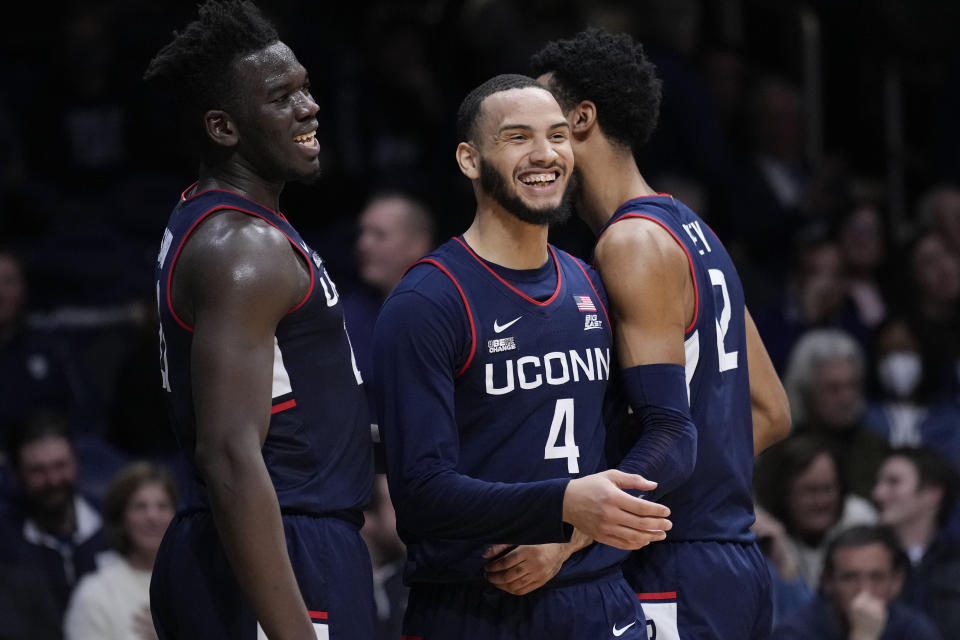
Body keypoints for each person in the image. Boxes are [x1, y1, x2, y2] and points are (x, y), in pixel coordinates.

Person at [372, 73, 673, 640]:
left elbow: (650, 434)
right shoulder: (426, 301)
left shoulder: (590, 282)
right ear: (469, 159)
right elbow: (420, 495)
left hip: (597, 595)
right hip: (474, 606)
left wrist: (568, 535)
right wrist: (564, 503)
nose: (545, 154)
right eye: (518, 138)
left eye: (558, 136)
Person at [530, 27, 791, 639]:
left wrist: (571, 539)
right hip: (733, 564)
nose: (530, 153)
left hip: (674, 570)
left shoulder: (630, 243)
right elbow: (773, 411)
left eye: (542, 126)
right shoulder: (691, 230)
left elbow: (672, 440)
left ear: (583, 118)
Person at [142, 1, 375, 638]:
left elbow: (296, 418)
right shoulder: (245, 248)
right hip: (281, 550)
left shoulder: (217, 222)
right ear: (224, 128)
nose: (310, 107)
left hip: (277, 536)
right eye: (282, 97)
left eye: (305, 87)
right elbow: (226, 455)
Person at [5, 409, 109, 611]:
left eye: (60, 465)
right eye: (38, 470)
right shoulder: (6, 543)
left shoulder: (116, 522)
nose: (53, 480)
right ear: (16, 473)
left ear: (76, 461)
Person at [64, 461, 178, 640]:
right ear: (121, 519)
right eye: (140, 507)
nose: (152, 516)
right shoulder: (95, 593)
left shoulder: (197, 584)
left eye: (162, 506)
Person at [770, 524, 942, 640]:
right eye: (850, 578)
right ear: (827, 581)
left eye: (877, 577)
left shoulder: (914, 630)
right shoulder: (795, 633)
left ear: (896, 581)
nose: (864, 590)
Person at [754, 433, 877, 592]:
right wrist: (783, 561)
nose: (821, 501)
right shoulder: (767, 531)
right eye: (810, 491)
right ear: (785, 493)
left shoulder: (859, 519)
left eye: (828, 489)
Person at [783, 328, 889, 499]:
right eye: (833, 388)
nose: (846, 398)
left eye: (852, 385)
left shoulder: (877, 449)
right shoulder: (781, 453)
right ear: (806, 392)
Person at [872, 446, 960, 639]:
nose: (878, 493)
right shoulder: (863, 558)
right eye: (879, 482)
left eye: (893, 482)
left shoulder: (956, 564)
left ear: (933, 494)